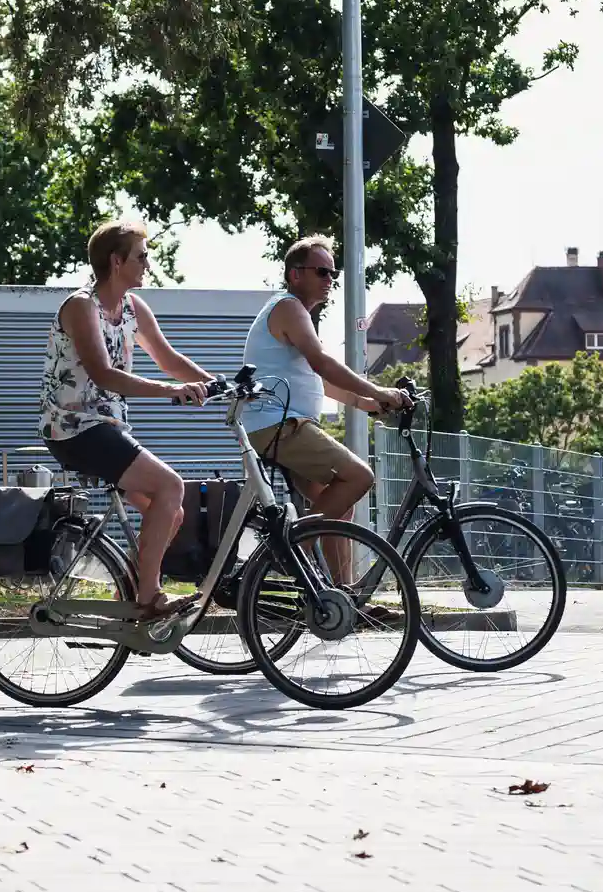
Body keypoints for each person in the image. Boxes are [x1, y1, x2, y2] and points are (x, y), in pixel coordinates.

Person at [41, 219, 214, 619]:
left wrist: (216, 384)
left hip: (107, 427)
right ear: (116, 261)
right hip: (73, 429)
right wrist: (171, 391)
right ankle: (148, 597)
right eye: (141, 257)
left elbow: (167, 358)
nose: (148, 264)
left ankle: (130, 603)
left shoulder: (134, 308)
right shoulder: (82, 306)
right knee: (171, 485)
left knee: (172, 508)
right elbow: (103, 373)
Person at [241, 236, 410, 583]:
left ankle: (343, 598)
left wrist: (367, 403)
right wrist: (379, 389)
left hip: (281, 427)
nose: (330, 279)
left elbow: (316, 379)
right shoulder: (289, 307)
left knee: (339, 506)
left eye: (333, 272)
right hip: (281, 426)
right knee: (360, 477)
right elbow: (322, 364)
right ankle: (284, 555)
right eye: (321, 271)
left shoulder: (296, 314)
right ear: (295, 274)